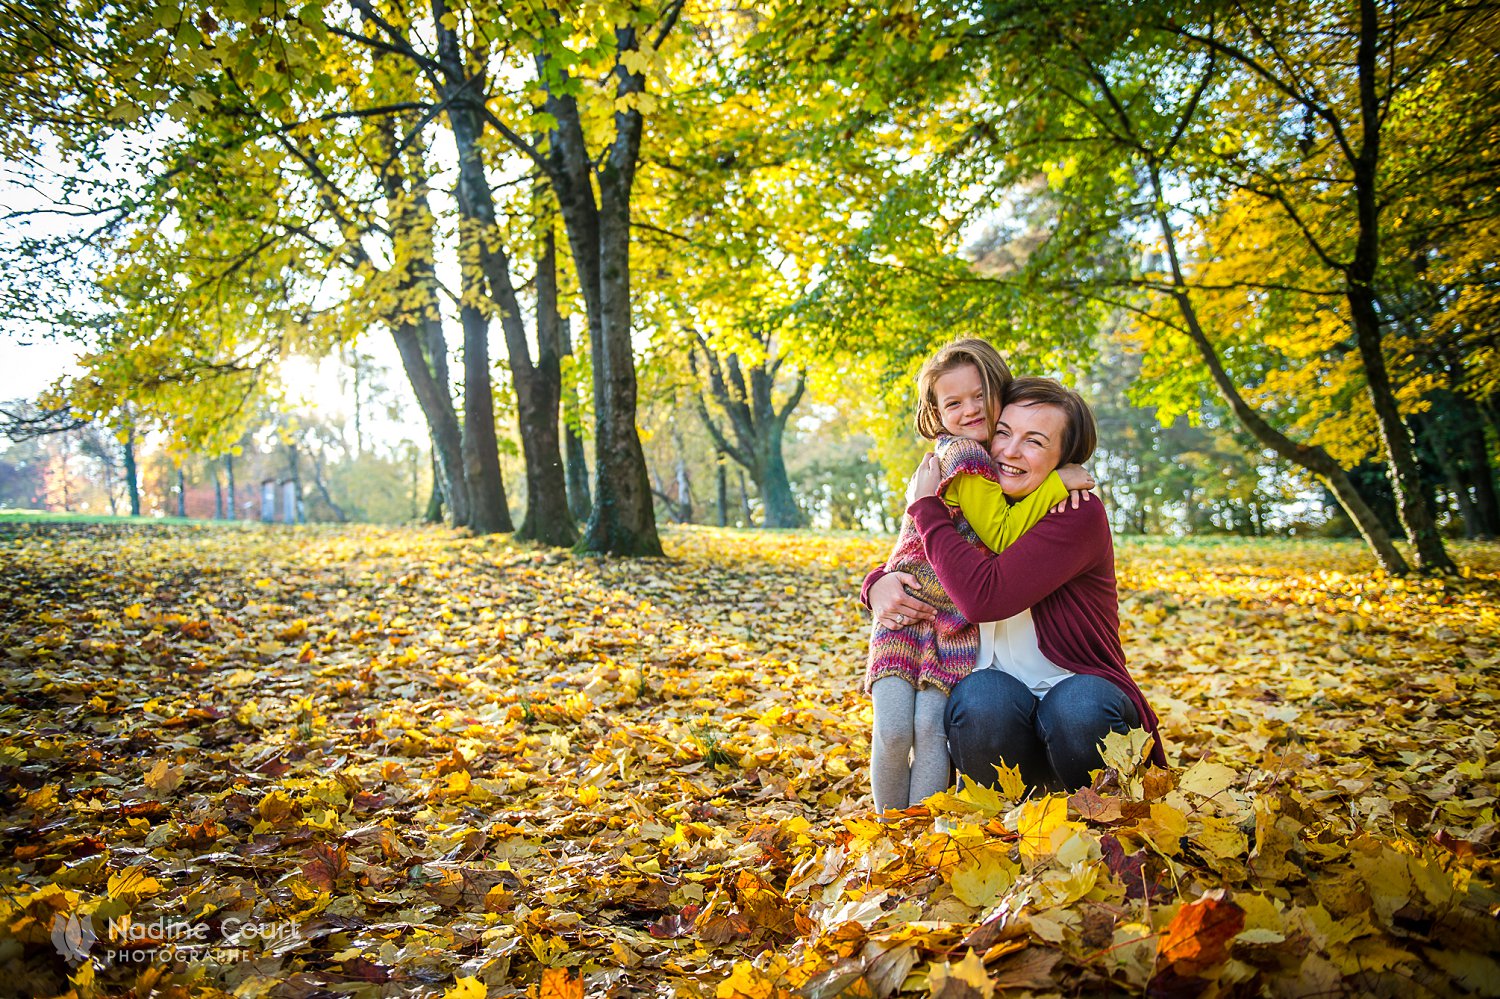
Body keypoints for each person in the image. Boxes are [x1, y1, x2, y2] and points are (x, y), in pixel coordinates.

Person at [865, 377, 1167, 794]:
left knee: (1075, 706)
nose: (1009, 450)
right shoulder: (978, 501)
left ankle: (1103, 825)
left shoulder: (1076, 511)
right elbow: (922, 559)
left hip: (1080, 700)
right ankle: (1007, 824)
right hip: (1002, 711)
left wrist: (926, 508)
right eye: (1004, 432)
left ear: (1064, 457)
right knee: (980, 699)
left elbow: (983, 596)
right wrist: (876, 584)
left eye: (1035, 441)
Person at [865, 343, 1095, 812]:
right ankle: (892, 832)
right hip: (917, 618)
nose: (970, 411)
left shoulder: (1022, 481)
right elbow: (919, 547)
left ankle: (923, 831)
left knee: (932, 729)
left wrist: (1057, 480)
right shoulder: (964, 458)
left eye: (980, 398)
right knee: (896, 729)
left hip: (961, 627)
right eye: (954, 403)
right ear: (935, 412)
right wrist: (875, 584)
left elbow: (994, 550)